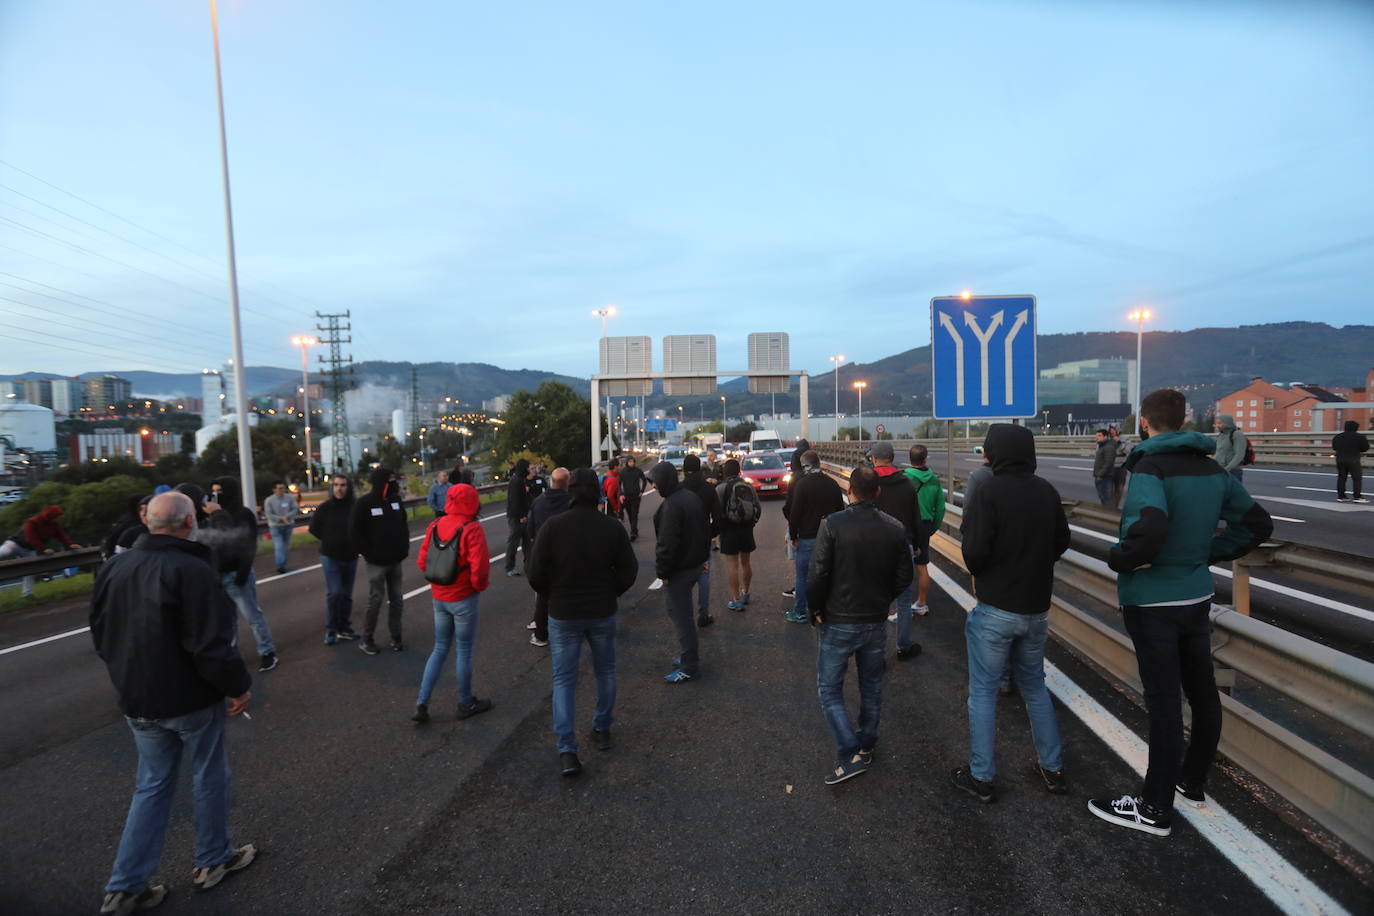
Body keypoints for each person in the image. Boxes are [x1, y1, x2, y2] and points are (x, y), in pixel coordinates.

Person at [1090, 389, 1273, 836]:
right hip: (1195, 595)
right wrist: (1207, 552)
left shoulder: (1150, 467)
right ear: (1184, 420)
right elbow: (1258, 524)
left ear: (1145, 423)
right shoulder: (1212, 469)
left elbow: (1149, 527)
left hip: (1152, 601)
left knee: (1164, 703)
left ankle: (1154, 808)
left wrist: (1120, 559)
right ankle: (1192, 781)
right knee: (1203, 691)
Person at [90, 492, 256, 912]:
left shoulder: (114, 567)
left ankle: (126, 885)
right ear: (188, 523)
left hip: (137, 699)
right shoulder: (192, 569)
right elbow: (211, 646)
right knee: (209, 775)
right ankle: (213, 859)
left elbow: (101, 633)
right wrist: (238, 686)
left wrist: (125, 675)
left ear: (149, 522)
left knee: (151, 786)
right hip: (190, 698)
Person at [953, 424, 1071, 804]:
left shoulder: (988, 491)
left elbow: (973, 554)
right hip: (1036, 609)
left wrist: (994, 568)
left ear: (994, 452)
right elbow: (1062, 541)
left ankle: (982, 776)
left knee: (983, 693)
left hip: (996, 609)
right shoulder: (1046, 491)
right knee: (1035, 687)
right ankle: (1053, 768)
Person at [806, 466, 912, 785]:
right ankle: (866, 744)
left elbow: (818, 573)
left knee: (829, 688)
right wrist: (882, 600)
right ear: (877, 492)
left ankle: (850, 752)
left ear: (849, 491)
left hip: (838, 619)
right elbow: (904, 577)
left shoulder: (833, 524)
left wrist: (815, 608)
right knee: (872, 685)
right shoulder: (895, 528)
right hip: (875, 620)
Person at [529, 469, 638, 776]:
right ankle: (602, 728)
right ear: (597, 492)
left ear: (570, 492)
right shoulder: (611, 527)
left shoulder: (553, 527)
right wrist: (611, 591)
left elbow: (535, 574)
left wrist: (553, 595)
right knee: (606, 671)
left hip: (564, 612)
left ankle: (567, 749)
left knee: (564, 680)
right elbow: (629, 571)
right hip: (601, 609)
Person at [413, 481, 493, 723]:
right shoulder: (472, 528)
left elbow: (422, 561)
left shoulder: (435, 525)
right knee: (464, 651)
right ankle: (465, 702)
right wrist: (476, 587)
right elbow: (480, 568)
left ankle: (422, 702)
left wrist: (438, 585)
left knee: (439, 648)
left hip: (439, 597)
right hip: (463, 597)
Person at [195, 478, 279, 673]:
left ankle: (267, 652)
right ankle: (232, 654)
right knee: (227, 620)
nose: (215, 496)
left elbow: (249, 544)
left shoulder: (243, 514)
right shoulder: (212, 516)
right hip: (218, 574)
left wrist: (243, 571)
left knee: (253, 616)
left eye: (219, 491)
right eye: (213, 492)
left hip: (237, 573)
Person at [651, 461, 710, 683]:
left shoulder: (672, 505)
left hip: (680, 570)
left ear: (665, 480)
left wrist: (663, 573)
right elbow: (705, 529)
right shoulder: (689, 497)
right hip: (694, 565)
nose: (654, 486)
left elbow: (666, 544)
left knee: (682, 618)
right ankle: (688, 655)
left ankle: (689, 666)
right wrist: (703, 558)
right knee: (677, 613)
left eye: (655, 481)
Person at [868, 442, 924, 659]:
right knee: (904, 600)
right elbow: (916, 518)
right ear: (892, 458)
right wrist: (917, 546)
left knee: (876, 600)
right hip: (903, 546)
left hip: (875, 548)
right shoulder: (907, 483)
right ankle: (904, 646)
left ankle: (877, 654)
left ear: (874, 459)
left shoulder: (869, 483)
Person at [350, 467, 411, 655]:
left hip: (396, 561)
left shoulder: (395, 501)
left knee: (397, 600)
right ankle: (367, 638)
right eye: (390, 480)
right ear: (380, 482)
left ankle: (396, 636)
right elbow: (355, 533)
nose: (393, 483)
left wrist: (403, 548)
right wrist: (370, 554)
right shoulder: (364, 503)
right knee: (375, 600)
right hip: (376, 563)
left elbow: (404, 525)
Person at [782, 450, 844, 624]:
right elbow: (840, 511)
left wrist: (793, 535)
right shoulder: (832, 484)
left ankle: (800, 612)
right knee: (828, 575)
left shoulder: (802, 485)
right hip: (829, 538)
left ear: (805, 466)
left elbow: (795, 514)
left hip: (807, 537)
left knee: (802, 577)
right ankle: (828, 611)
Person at [308, 473, 362, 645]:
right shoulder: (325, 507)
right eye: (336, 485)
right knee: (335, 593)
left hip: (351, 556)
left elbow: (363, 527)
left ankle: (344, 628)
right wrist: (330, 539)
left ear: (348, 487)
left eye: (343, 485)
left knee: (346, 595)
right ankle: (331, 629)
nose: (339, 488)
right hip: (330, 556)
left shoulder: (355, 507)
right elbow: (313, 528)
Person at [525, 468, 573, 647]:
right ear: (567, 482)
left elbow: (530, 531)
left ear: (551, 481)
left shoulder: (538, 502)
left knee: (543, 595)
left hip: (543, 554)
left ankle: (540, 633)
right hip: (567, 555)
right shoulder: (572, 502)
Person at [0, 505, 83, 598]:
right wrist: (44, 549)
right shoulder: (32, 522)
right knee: (4, 552)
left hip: (29, 550)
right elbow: (31, 538)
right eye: (57, 516)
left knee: (30, 570)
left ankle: (27, 594)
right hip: (15, 544)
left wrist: (70, 544)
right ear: (50, 516)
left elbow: (61, 535)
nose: (59, 518)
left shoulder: (54, 525)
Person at [903, 444, 945, 617]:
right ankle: (922, 603)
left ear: (910, 459)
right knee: (922, 566)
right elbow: (940, 508)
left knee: (902, 566)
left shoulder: (904, 478)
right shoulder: (934, 480)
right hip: (924, 525)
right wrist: (932, 528)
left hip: (906, 525)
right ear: (926, 459)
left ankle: (902, 607)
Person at [714, 458, 760, 611]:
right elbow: (757, 508)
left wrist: (719, 531)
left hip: (729, 530)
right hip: (746, 529)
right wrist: (751, 524)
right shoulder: (748, 486)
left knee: (732, 565)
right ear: (739, 471)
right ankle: (745, 593)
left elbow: (717, 513)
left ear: (725, 472)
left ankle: (736, 600)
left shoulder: (721, 488)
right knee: (746, 562)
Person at [780, 438, 812, 599]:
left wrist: (792, 532)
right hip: (817, 526)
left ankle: (800, 599)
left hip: (800, 527)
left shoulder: (795, 479)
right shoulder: (816, 476)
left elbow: (790, 506)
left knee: (800, 565)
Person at [263, 481, 299, 575]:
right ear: (274, 489)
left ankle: (283, 564)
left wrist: (287, 517)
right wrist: (280, 519)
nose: (282, 490)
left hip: (288, 525)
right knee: (279, 546)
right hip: (275, 526)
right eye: (280, 488)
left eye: (283, 488)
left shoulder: (289, 498)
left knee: (287, 546)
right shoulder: (269, 500)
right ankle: (280, 565)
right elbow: (269, 514)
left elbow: (295, 509)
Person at [504, 459, 532, 576]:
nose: (529, 470)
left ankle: (529, 565)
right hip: (517, 517)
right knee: (514, 542)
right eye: (528, 467)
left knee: (527, 542)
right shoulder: (517, 481)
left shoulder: (519, 479)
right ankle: (509, 567)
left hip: (520, 515)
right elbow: (515, 501)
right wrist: (521, 516)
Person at [1332, 419, 1369, 503]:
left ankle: (1341, 496)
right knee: (1357, 479)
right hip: (1353, 460)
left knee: (1341, 478)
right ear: (1356, 428)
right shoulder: (1360, 436)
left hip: (1340, 460)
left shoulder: (1337, 436)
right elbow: (1365, 448)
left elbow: (1334, 447)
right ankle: (1357, 497)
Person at [619, 456, 647, 540]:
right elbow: (619, 483)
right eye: (630, 462)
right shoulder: (623, 472)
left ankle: (633, 533)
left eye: (633, 461)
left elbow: (644, 480)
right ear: (627, 462)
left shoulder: (638, 470)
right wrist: (621, 494)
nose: (632, 463)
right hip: (626, 496)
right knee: (630, 515)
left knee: (634, 514)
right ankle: (635, 530)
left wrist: (642, 491)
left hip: (636, 496)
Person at [1213, 414, 1246, 482]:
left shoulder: (1237, 434)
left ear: (1227, 423)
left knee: (1234, 489)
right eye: (1216, 423)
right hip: (1220, 470)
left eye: (1219, 423)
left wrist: (1227, 469)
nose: (1217, 425)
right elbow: (1219, 452)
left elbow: (1239, 455)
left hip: (1233, 471)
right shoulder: (1221, 435)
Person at [1092, 429, 1120, 506]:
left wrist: (1099, 475)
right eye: (1096, 436)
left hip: (1105, 478)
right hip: (1101, 477)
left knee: (1107, 501)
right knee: (1103, 499)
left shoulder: (1109, 447)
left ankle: (1109, 513)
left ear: (1105, 437)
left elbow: (1108, 463)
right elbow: (1099, 462)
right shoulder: (1102, 446)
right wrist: (1095, 474)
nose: (1097, 438)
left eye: (1099, 436)